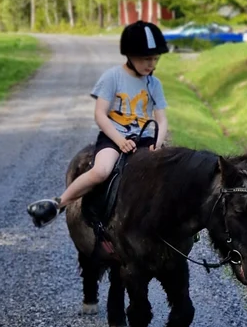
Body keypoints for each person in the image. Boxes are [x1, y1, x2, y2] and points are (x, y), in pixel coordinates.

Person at [26, 20, 170, 227]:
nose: (152, 64)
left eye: (155, 59)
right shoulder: (113, 77)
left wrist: (158, 143)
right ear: (130, 55)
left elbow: (161, 118)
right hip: (115, 137)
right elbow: (100, 115)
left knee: (170, 174)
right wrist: (120, 141)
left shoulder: (154, 83)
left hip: (146, 137)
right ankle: (59, 204)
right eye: (146, 59)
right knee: (101, 171)